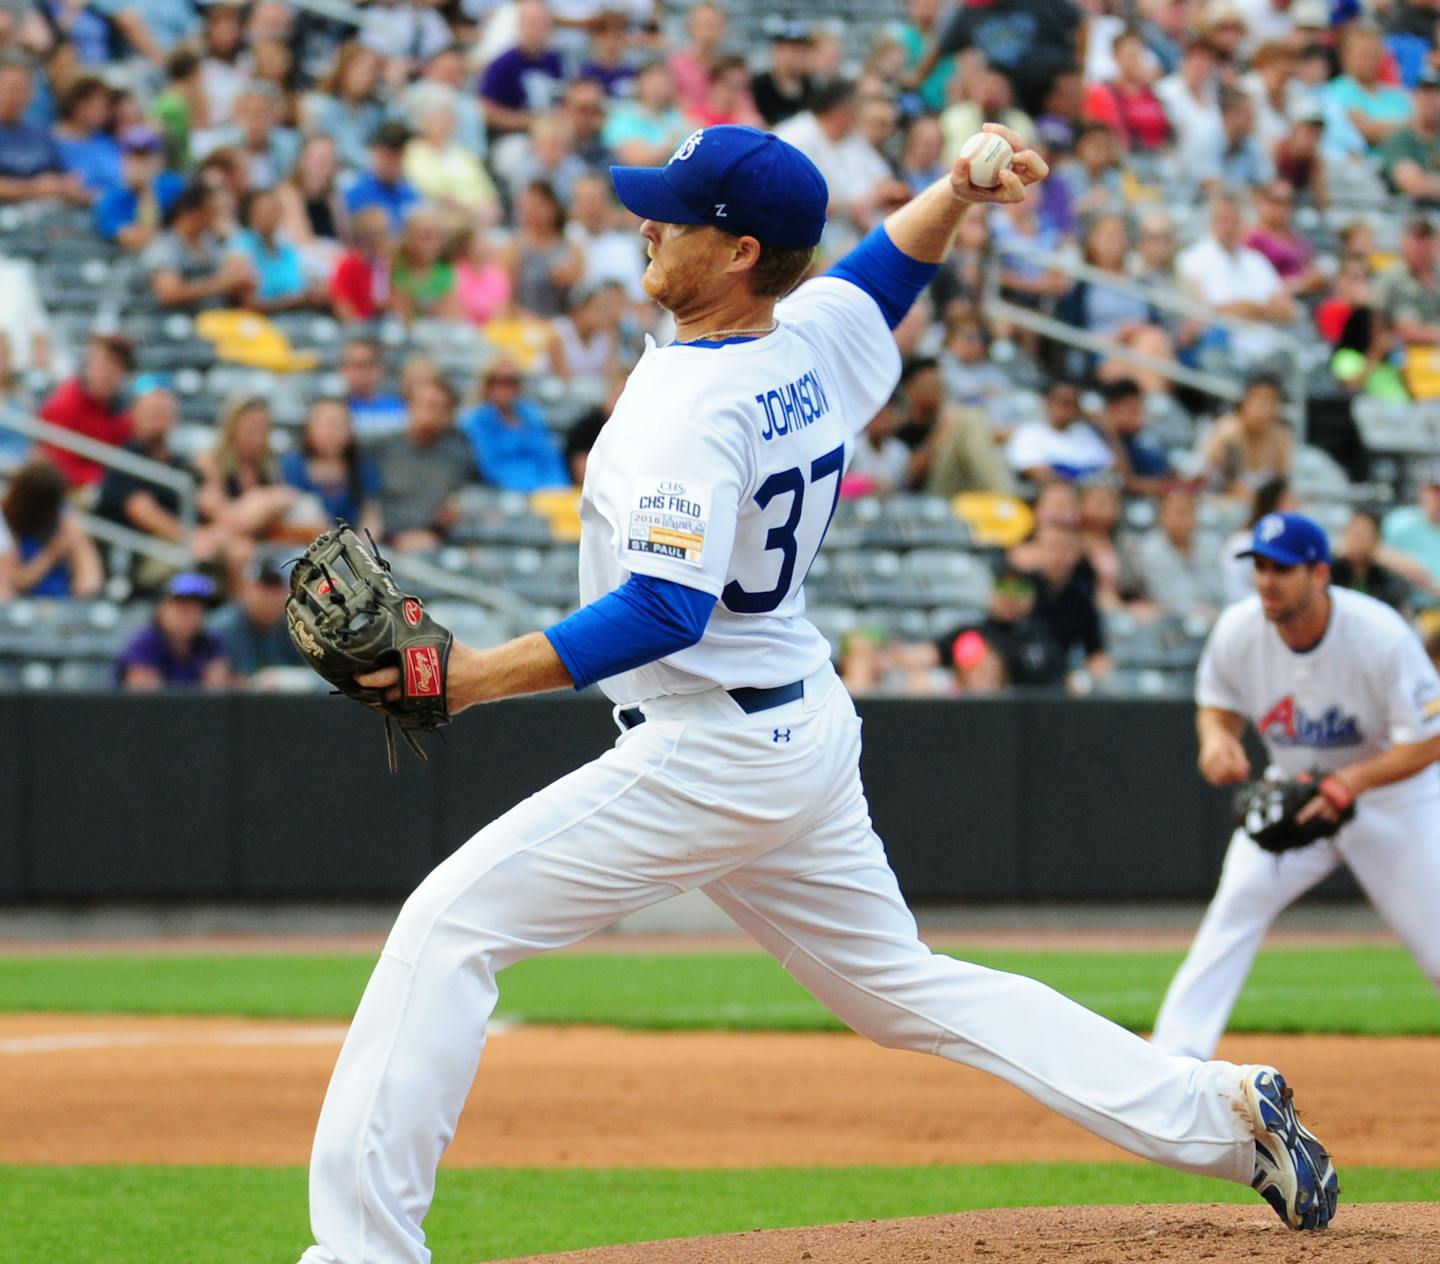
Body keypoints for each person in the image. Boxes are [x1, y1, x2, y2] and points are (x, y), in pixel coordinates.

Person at [294, 124, 1337, 1264]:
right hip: (792, 726)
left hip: (709, 744)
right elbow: (885, 275)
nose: (648, 221)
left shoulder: (689, 408)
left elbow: (661, 611)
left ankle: (360, 1253)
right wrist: (956, 190)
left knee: (449, 925)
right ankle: (1224, 1114)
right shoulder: (802, 340)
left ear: (740, 251)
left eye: (676, 213)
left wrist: (470, 678)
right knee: (903, 991)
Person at [1152, 511, 1440, 1059]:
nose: (1267, 579)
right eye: (1259, 566)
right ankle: (1174, 1064)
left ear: (1319, 573)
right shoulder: (1239, 629)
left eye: (1282, 568)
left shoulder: (1378, 634)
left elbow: (1430, 739)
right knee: (1233, 909)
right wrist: (1215, 740)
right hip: (1296, 795)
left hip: (1394, 802)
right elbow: (1217, 705)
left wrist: (1350, 782)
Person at [373, 376, 474, 552]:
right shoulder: (380, 449)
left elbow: (457, 506)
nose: (428, 414)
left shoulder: (459, 456)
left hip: (433, 542)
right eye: (423, 404)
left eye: (437, 407)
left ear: (449, 415)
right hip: (381, 541)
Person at [36, 333, 134, 490]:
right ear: (89, 364)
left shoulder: (123, 413)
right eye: (104, 364)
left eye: (117, 365)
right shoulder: (66, 400)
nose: (108, 373)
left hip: (102, 492)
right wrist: (105, 481)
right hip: (61, 491)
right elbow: (57, 462)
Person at [460, 360, 569, 493]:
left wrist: (558, 486)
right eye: (498, 381)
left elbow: (550, 458)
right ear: (487, 385)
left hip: (545, 489)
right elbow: (488, 467)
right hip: (501, 492)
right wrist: (530, 490)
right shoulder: (475, 422)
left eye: (512, 382)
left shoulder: (533, 416)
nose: (505, 388)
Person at [279, 397, 382, 537]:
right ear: (310, 428)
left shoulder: (362, 469)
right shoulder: (291, 466)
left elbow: (371, 516)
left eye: (339, 425)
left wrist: (362, 548)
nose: (332, 433)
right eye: (326, 425)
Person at [0, 459, 103, 598]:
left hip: (60, 603)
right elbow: (17, 581)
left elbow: (90, 580)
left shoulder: (63, 519)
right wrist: (53, 552)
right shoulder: (6, 522)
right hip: (21, 603)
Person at [114, 570, 231, 688]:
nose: (190, 615)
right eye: (182, 606)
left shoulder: (209, 643)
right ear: (161, 609)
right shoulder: (146, 643)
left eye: (197, 607)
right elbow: (144, 700)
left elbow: (217, 692)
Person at [0, 53, 88, 207]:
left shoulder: (41, 135)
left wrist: (67, 187)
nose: (14, 95)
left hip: (47, 218)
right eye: (10, 87)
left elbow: (65, 180)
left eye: (21, 88)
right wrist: (33, 188)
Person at [1135, 484, 1227, 621]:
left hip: (1216, 614)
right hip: (1173, 623)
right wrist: (1201, 612)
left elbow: (1224, 586)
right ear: (1162, 517)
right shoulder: (1150, 550)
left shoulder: (1211, 543)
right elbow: (1164, 597)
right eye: (1178, 512)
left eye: (1190, 511)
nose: (1184, 518)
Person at [1200, 377, 1292, 501]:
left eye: (1271, 402)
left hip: (1262, 504)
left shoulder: (1281, 437)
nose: (1265, 408)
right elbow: (1228, 483)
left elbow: (1282, 483)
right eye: (1260, 401)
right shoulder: (1227, 431)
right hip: (1218, 499)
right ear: (1245, 401)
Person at [1005, 379, 1114, 483]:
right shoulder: (1029, 433)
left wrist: (1108, 429)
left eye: (1074, 403)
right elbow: (1038, 474)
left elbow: (1112, 469)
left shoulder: (1085, 432)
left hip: (1096, 495)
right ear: (1047, 402)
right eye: (1064, 403)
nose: (1070, 409)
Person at [95, 125, 185, 250]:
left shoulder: (175, 186)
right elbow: (144, 241)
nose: (139, 163)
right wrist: (146, 190)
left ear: (160, 160)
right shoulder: (111, 200)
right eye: (133, 156)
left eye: (146, 156)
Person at [208, 554, 297, 677]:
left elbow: (319, 676)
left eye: (276, 589)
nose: (269, 598)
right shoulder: (221, 628)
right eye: (263, 588)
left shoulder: (294, 626)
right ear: (246, 589)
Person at [1374, 216, 1440, 350]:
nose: (1422, 247)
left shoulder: (1436, 273)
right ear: (1404, 242)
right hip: (1400, 353)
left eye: (1426, 239)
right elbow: (1405, 330)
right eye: (1416, 240)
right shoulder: (1391, 277)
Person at [1330, 508, 1409, 612]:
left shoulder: (1385, 577)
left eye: (1366, 535)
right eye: (1356, 533)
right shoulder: (1331, 570)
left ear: (1376, 539)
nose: (1360, 540)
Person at [1380, 70, 1440, 205]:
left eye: (1436, 94)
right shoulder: (1400, 139)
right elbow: (1414, 185)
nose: (1431, 101)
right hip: (1413, 215)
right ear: (1414, 97)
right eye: (1425, 94)